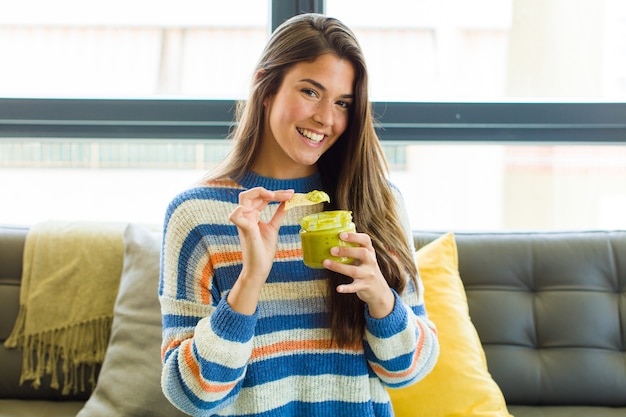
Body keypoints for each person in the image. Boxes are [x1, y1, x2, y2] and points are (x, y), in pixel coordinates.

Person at [159, 13, 439, 417]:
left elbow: (407, 371)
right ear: (266, 87)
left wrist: (380, 297)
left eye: (343, 103)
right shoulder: (196, 215)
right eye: (310, 92)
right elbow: (192, 396)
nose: (326, 118)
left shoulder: (378, 201)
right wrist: (250, 281)